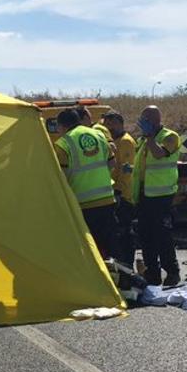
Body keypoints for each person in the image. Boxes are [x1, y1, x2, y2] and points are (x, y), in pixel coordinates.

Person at [53, 109, 117, 261]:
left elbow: (60, 177)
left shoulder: (62, 144)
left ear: (61, 126)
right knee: (110, 247)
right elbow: (112, 163)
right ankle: (118, 281)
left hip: (83, 205)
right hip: (107, 199)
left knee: (90, 251)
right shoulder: (99, 135)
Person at [132, 106, 182, 286]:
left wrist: (150, 137)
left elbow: (159, 154)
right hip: (144, 195)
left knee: (163, 236)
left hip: (162, 195)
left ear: (155, 120)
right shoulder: (144, 140)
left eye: (146, 119)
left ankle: (172, 272)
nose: (142, 122)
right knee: (146, 237)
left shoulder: (170, 137)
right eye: (142, 119)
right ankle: (152, 273)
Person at [102, 111, 138, 266]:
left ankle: (128, 265)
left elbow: (127, 170)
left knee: (125, 234)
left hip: (123, 195)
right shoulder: (111, 141)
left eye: (112, 125)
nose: (109, 128)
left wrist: (119, 191)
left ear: (120, 123)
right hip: (112, 193)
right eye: (107, 125)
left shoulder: (125, 142)